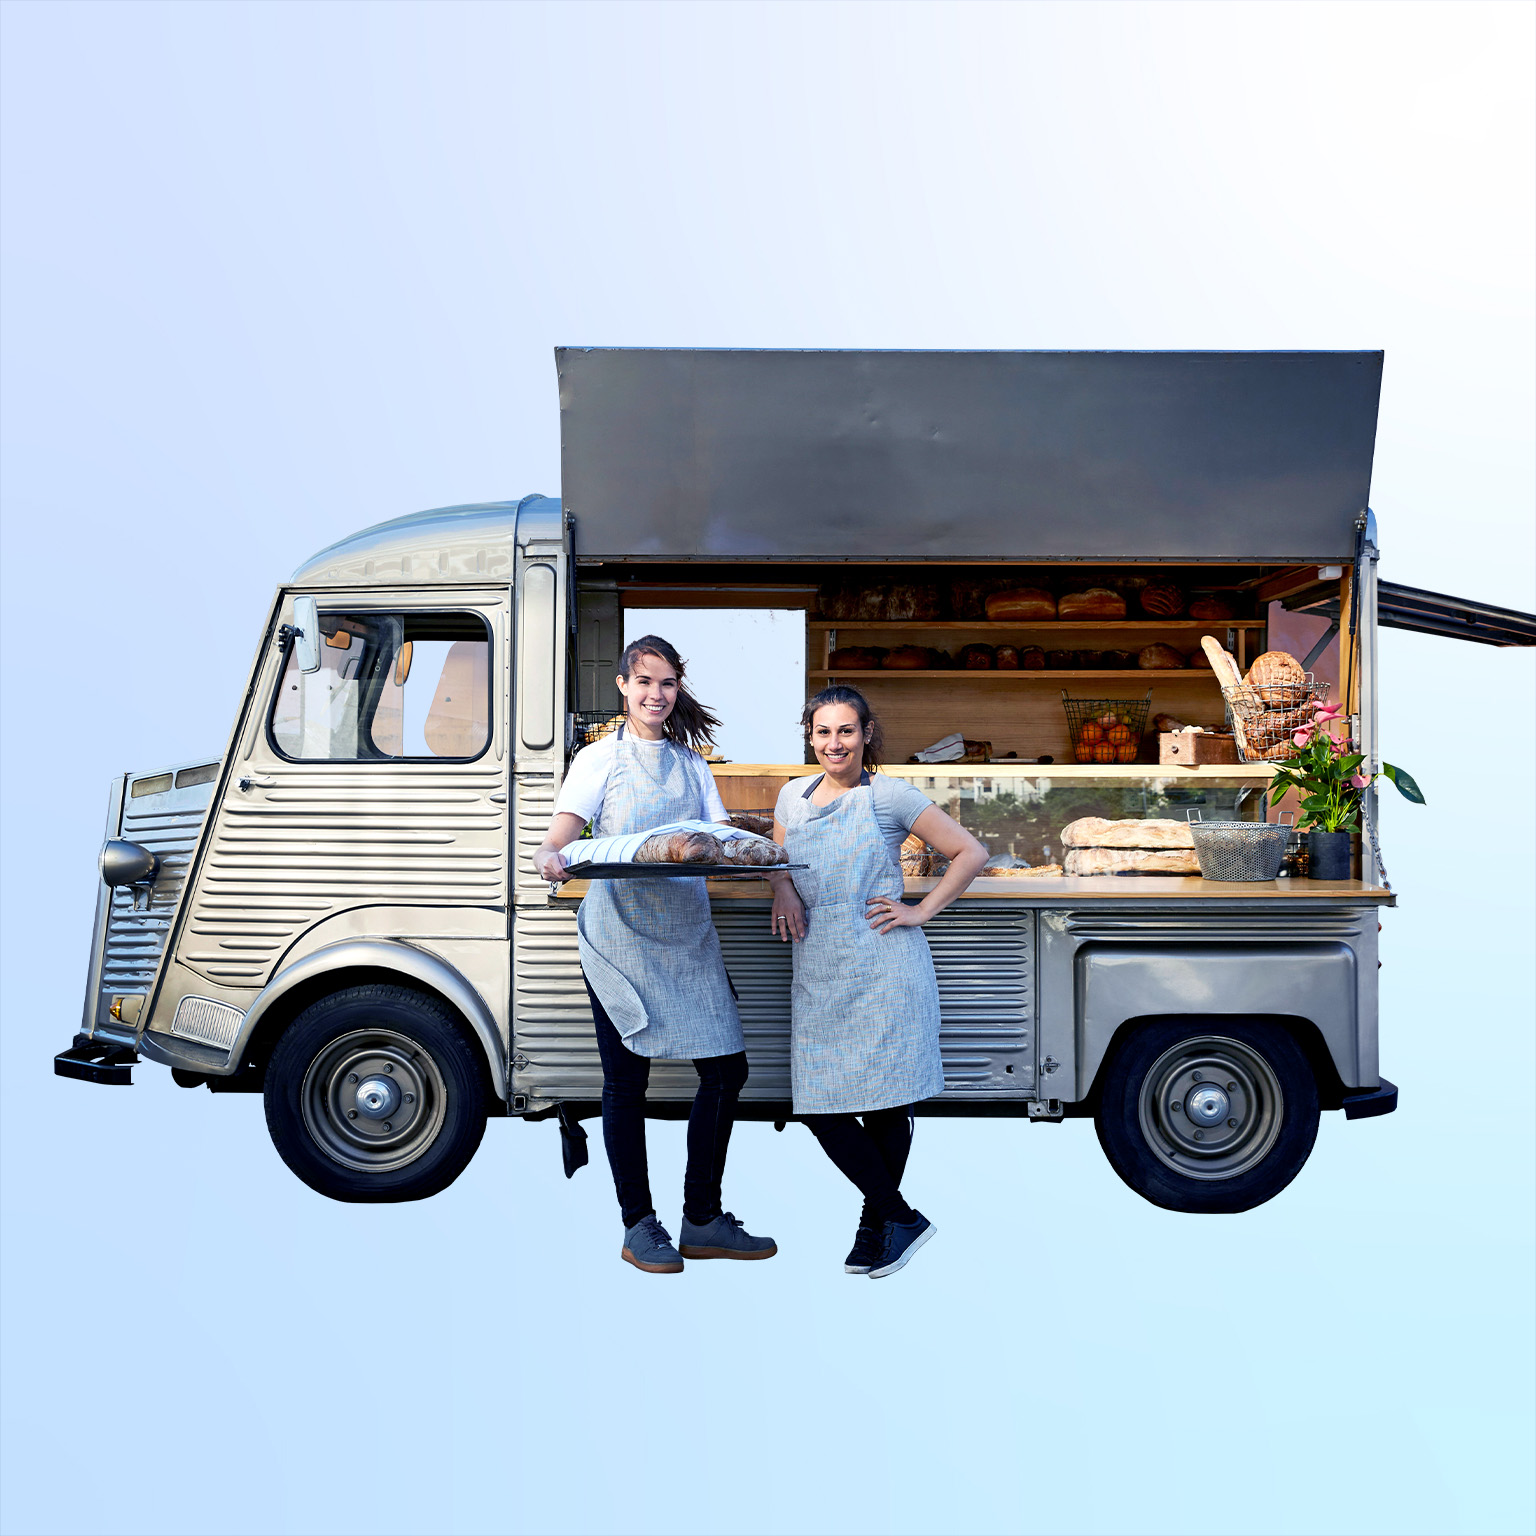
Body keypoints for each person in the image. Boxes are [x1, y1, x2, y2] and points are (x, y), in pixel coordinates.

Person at [533, 635, 776, 1274]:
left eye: (667, 684)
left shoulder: (691, 764)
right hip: (619, 936)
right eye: (645, 682)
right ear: (623, 686)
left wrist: (769, 865)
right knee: (625, 1082)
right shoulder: (597, 759)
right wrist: (549, 856)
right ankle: (639, 1225)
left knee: (727, 1071)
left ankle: (702, 1217)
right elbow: (564, 829)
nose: (656, 695)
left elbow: (716, 837)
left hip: (687, 934)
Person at [768, 685, 988, 1278]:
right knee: (821, 1106)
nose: (833, 743)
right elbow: (778, 864)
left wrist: (919, 911)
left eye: (846, 731)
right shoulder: (791, 797)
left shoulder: (889, 795)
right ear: (809, 737)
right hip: (819, 966)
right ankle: (898, 1216)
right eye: (822, 732)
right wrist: (783, 889)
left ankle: (875, 1225)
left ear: (866, 735)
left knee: (887, 1105)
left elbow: (969, 852)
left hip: (884, 964)